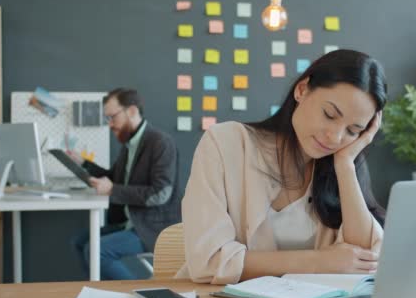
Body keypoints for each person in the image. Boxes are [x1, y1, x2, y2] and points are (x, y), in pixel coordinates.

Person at [177, 49, 387, 284]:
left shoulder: (341, 166)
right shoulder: (225, 143)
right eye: (329, 114)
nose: (335, 138)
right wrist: (319, 261)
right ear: (302, 90)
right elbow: (210, 261)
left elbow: (365, 260)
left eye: (353, 131)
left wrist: (346, 165)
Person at [70, 88, 181, 280]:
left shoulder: (160, 143)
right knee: (80, 242)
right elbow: (114, 178)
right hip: (131, 222)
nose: (110, 124)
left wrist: (112, 189)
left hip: (152, 228)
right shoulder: (130, 144)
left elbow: (160, 193)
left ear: (131, 111)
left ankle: (135, 294)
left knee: (97, 251)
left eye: (112, 117)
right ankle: (102, 291)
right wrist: (83, 164)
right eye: (108, 119)